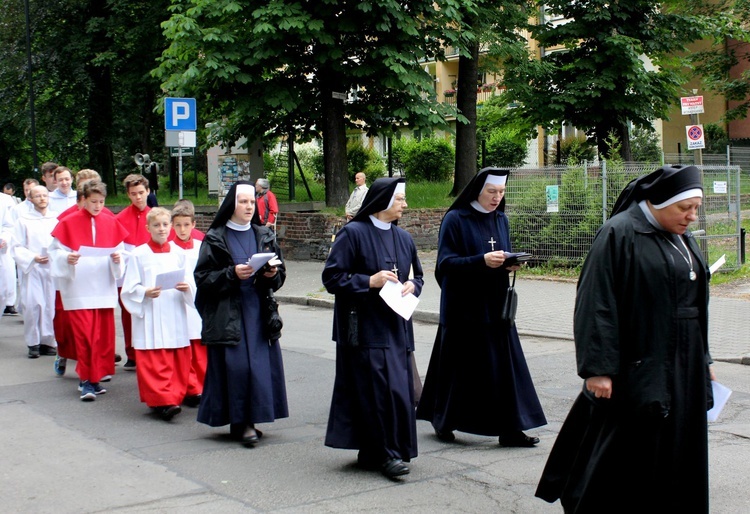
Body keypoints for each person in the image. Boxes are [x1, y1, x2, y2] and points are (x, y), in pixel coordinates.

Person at [535, 165, 714, 513]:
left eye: (696, 208)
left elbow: (695, 303)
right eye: (685, 208)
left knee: (679, 445)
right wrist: (598, 369)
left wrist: (704, 360)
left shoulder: (681, 236)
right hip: (639, 362)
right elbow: (596, 302)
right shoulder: (619, 233)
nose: (692, 216)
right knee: (628, 450)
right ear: (659, 200)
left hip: (685, 362)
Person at [417, 167, 546, 447]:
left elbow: (502, 255)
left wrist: (510, 263)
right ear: (478, 190)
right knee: (458, 369)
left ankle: (511, 429)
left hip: (496, 305)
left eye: (501, 192)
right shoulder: (455, 218)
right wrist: (481, 261)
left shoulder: (501, 218)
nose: (497, 198)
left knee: (504, 368)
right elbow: (445, 265)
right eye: (492, 192)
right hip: (464, 307)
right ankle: (444, 421)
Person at [322, 177, 423, 479]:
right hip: (365, 329)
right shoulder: (352, 234)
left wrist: (411, 286)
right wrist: (369, 281)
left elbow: (417, 277)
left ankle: (381, 450)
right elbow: (332, 278)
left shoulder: (403, 238)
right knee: (377, 392)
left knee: (397, 392)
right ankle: (386, 455)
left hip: (396, 327)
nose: (405, 204)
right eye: (401, 199)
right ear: (384, 201)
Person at [194, 181, 287, 446]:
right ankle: (240, 422)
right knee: (237, 367)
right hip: (229, 313)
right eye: (242, 201)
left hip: (257, 310)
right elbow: (202, 278)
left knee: (258, 367)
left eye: (251, 202)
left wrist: (271, 273)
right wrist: (231, 274)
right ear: (231, 205)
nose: (248, 206)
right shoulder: (215, 237)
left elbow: (280, 275)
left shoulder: (264, 234)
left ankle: (253, 419)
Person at [49, 180, 128, 401]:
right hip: (78, 289)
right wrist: (67, 257)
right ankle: (85, 380)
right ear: (83, 199)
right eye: (93, 201)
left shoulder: (109, 221)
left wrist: (117, 259)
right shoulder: (68, 222)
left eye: (102, 202)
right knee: (85, 336)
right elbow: (55, 252)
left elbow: (122, 252)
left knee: (101, 338)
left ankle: (94, 379)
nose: (98, 206)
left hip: (103, 288)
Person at [120, 208, 193, 421]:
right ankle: (161, 401)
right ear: (148, 228)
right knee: (154, 360)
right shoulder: (139, 254)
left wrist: (186, 287)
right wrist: (145, 292)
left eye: (164, 224)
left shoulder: (179, 253)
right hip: (151, 311)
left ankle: (173, 396)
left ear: (170, 226)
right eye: (156, 225)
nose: (161, 229)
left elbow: (191, 281)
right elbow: (129, 288)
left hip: (173, 308)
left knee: (175, 357)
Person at [11, 186, 58, 358]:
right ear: (30, 199)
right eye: (37, 196)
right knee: (33, 304)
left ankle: (49, 341)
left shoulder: (55, 219)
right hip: (33, 269)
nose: (42, 198)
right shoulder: (23, 221)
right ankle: (33, 342)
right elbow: (16, 246)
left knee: (50, 305)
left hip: (51, 268)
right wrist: (32, 257)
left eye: (44, 195)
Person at [169, 200, 206, 408]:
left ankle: (202, 386)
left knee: (200, 349)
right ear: (173, 226)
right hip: (177, 303)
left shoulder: (202, 247)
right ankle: (190, 388)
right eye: (178, 225)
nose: (182, 229)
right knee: (184, 349)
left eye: (186, 224)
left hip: (199, 301)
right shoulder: (169, 249)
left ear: (193, 225)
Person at [116, 173, 152, 371]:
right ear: (128, 195)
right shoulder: (120, 218)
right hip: (128, 271)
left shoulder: (155, 216)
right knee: (128, 312)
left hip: (149, 269)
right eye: (133, 194)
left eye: (141, 193)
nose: (138, 197)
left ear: (148, 191)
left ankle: (148, 350)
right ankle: (131, 352)